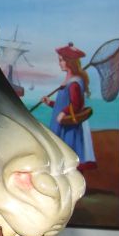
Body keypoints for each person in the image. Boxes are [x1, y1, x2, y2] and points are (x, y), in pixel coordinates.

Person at [42, 42, 96, 170]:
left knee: (67, 158)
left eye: (61, 60)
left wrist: (63, 113)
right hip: (61, 125)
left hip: (67, 128)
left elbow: (76, 105)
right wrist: (50, 103)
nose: (59, 63)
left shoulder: (74, 83)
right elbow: (63, 104)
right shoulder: (69, 80)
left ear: (69, 62)